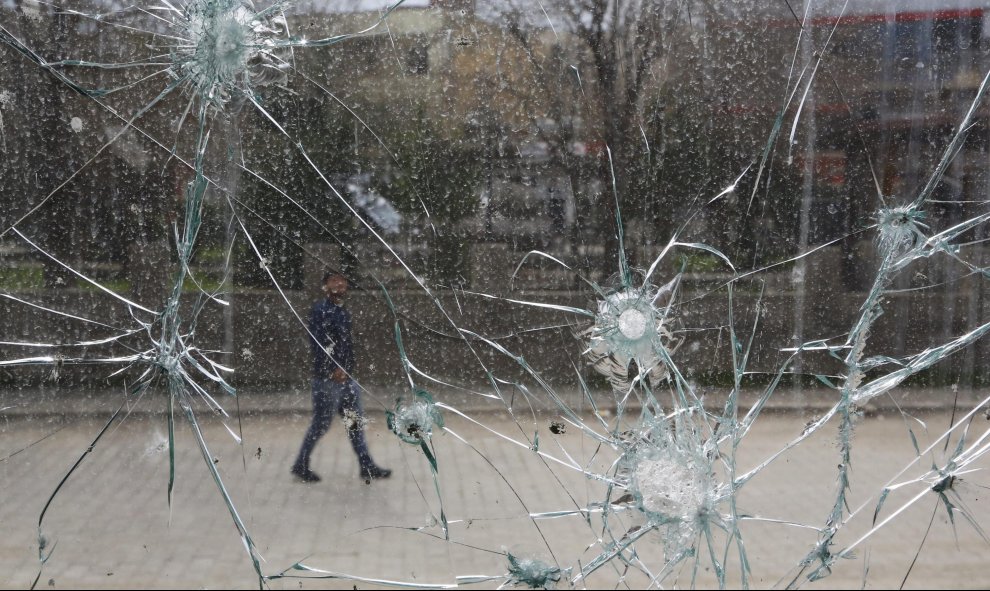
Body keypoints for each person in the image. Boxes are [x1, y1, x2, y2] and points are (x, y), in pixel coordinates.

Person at [291, 272, 391, 483]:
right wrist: (332, 369)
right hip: (328, 380)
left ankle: (366, 465)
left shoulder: (341, 310)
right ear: (325, 285)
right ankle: (300, 464)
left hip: (346, 379)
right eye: (334, 280)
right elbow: (317, 343)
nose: (340, 283)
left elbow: (344, 345)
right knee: (321, 424)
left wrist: (346, 369)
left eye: (343, 279)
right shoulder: (321, 310)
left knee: (354, 422)